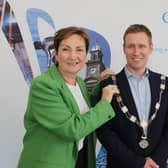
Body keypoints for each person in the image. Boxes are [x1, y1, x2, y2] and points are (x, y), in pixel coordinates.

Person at [17, 26, 119, 168]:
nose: (73, 56)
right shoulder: (43, 86)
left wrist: (101, 85)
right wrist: (105, 102)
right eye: (66, 49)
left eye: (79, 50)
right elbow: (72, 129)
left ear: (86, 55)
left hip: (78, 160)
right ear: (57, 54)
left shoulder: (80, 83)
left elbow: (81, 106)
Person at [97, 24, 168, 168]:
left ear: (150, 48)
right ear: (124, 48)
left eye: (142, 46)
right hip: (121, 164)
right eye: (131, 46)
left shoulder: (165, 83)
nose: (136, 52)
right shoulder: (108, 85)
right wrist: (138, 163)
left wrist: (156, 160)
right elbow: (104, 131)